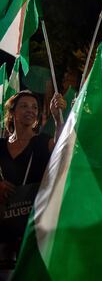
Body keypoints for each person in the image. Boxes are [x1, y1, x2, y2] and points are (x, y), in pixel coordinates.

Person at [0, 90, 65, 276]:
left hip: (33, 225)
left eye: (34, 107)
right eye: (24, 106)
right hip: (3, 224)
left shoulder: (42, 142)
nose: (30, 110)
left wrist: (57, 118)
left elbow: (63, 146)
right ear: (12, 112)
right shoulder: (0, 145)